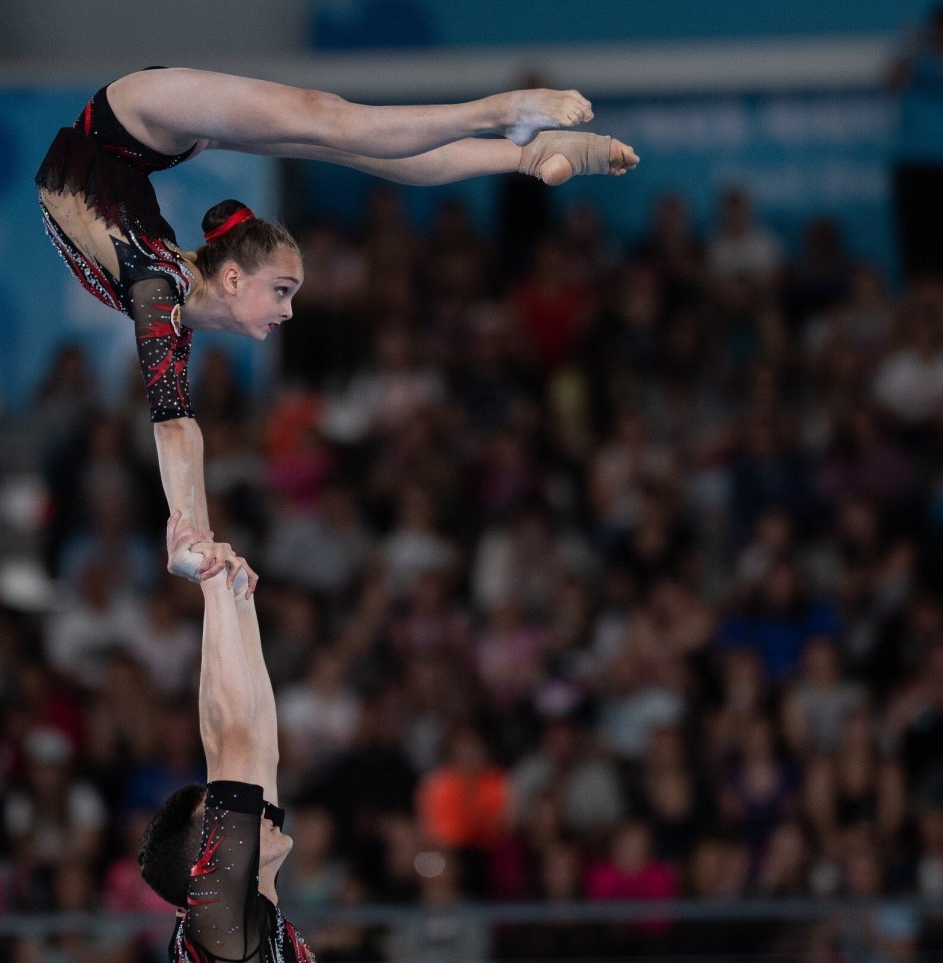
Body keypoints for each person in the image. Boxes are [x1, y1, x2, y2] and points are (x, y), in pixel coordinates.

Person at [36, 66, 638, 566]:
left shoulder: (157, 289)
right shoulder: (170, 292)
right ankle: (527, 157)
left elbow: (172, 424)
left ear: (234, 277)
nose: (290, 310)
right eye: (285, 291)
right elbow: (179, 422)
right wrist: (191, 532)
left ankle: (503, 111)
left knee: (326, 118)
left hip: (120, 121)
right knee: (340, 140)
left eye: (284, 291)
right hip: (132, 149)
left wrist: (186, 527)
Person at [138, 511, 311, 962]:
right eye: (231, 813)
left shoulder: (229, 929)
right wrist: (221, 589)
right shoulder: (221, 933)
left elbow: (251, 744)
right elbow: (241, 742)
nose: (251, 807)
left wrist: (233, 599)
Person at [885, 4, 943, 285]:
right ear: (938, 28)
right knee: (915, 242)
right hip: (911, 160)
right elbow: (890, 84)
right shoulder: (914, 56)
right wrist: (916, 49)